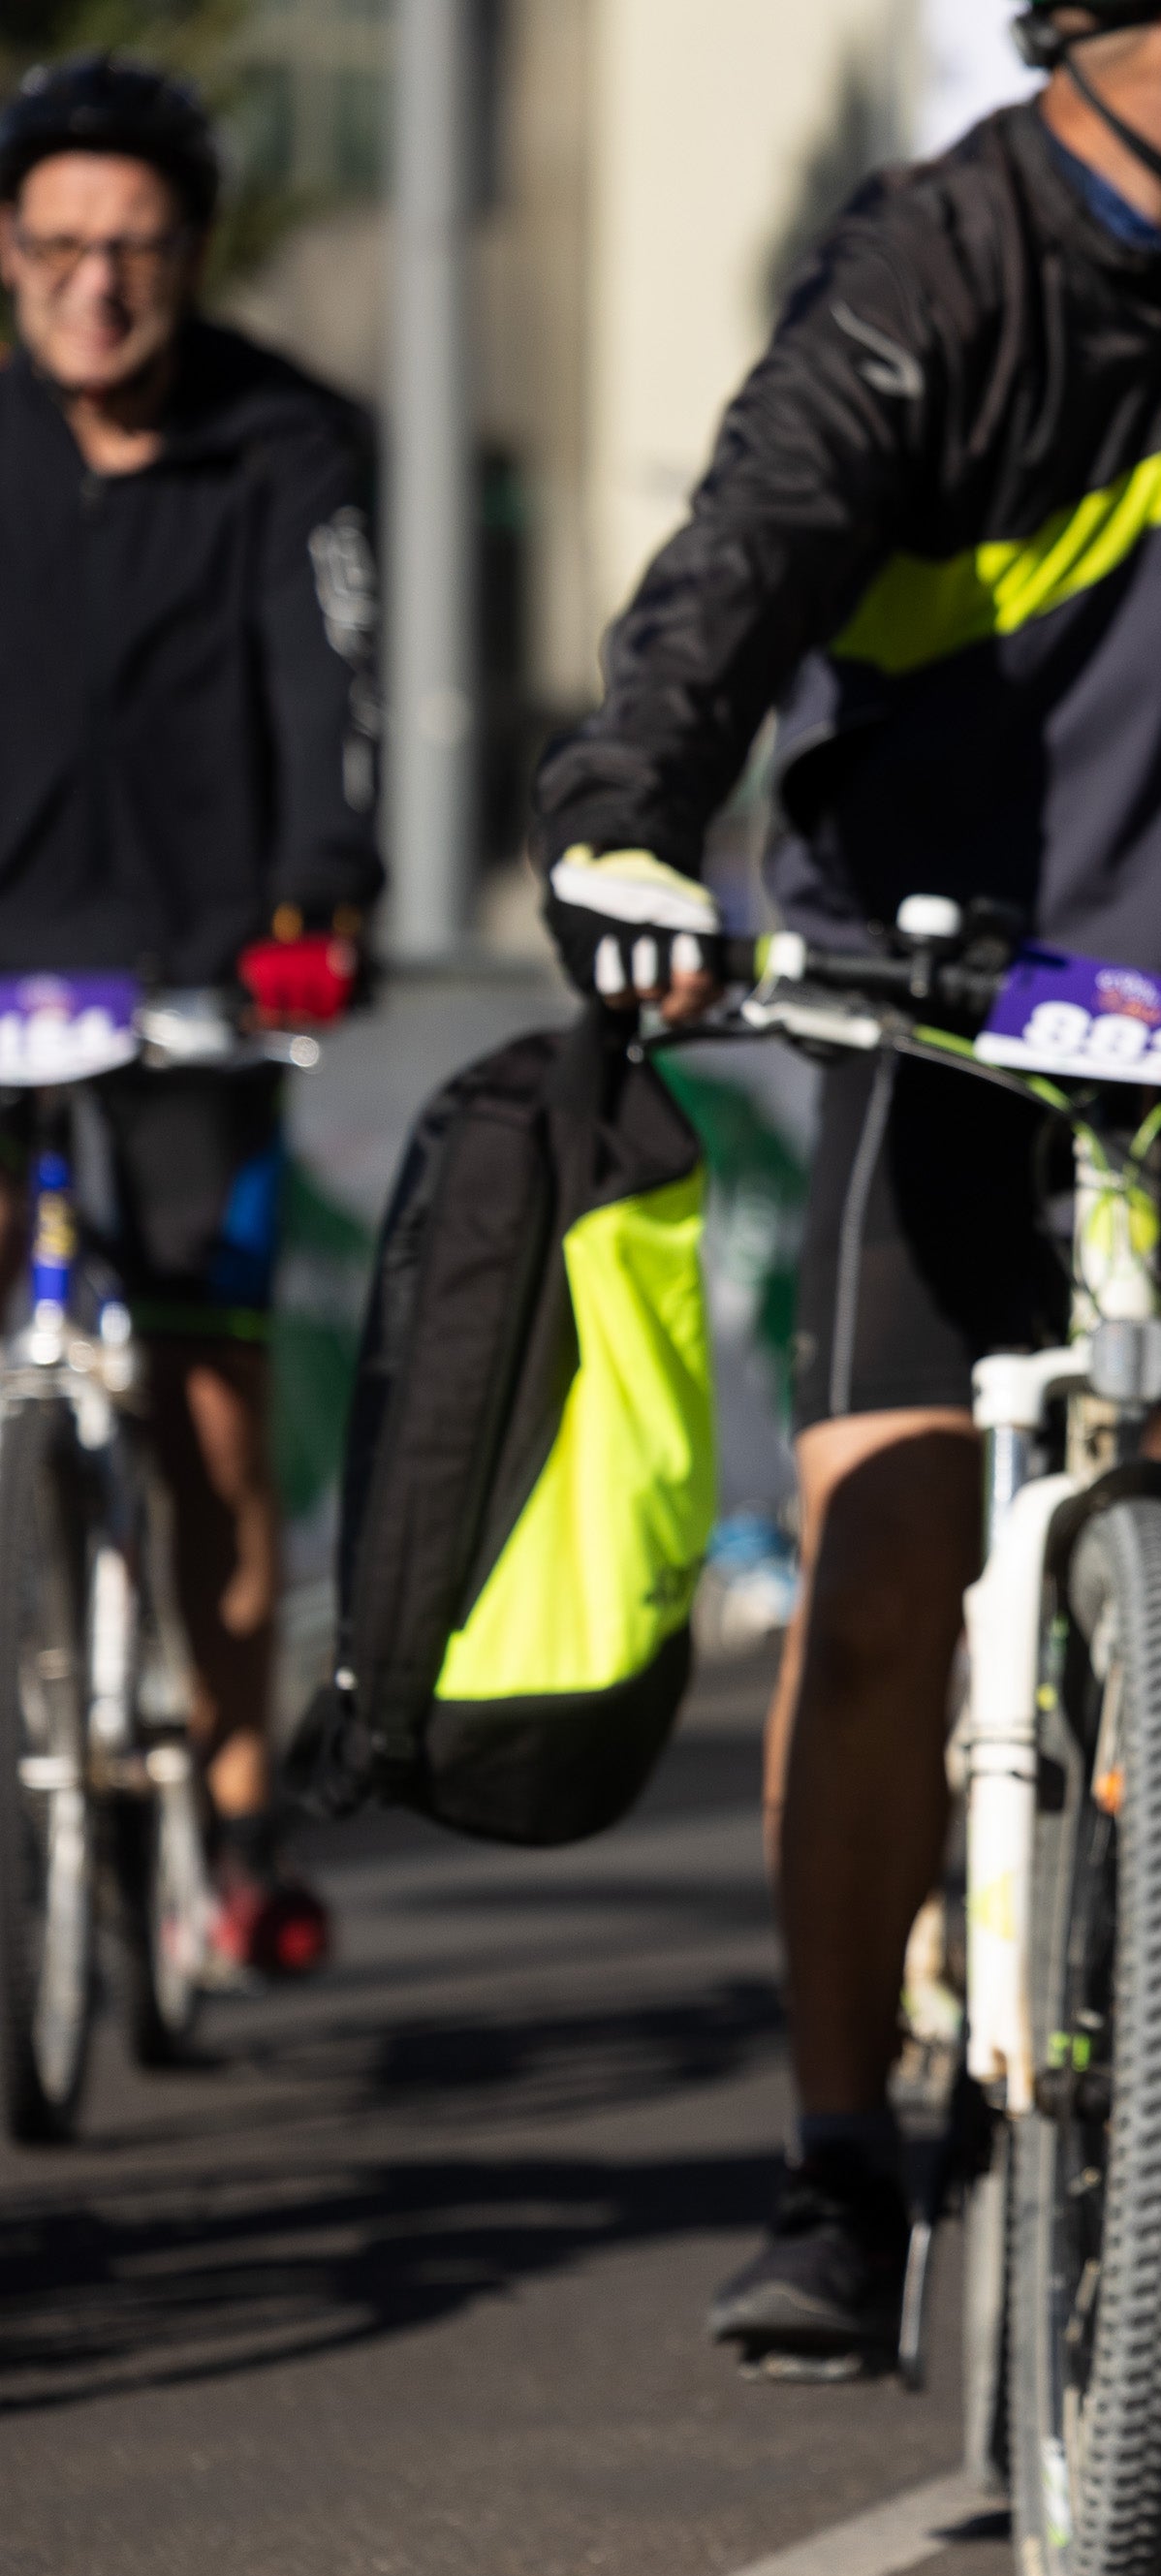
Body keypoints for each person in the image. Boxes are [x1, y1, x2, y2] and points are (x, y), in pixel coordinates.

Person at [525, 0, 1161, 2372]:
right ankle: (833, 2164)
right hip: (948, 1013)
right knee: (885, 1553)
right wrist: (624, 816)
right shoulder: (940, 266)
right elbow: (748, 556)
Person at [0, 57, 379, 1982]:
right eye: (59, 247)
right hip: (5, 973)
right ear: (8, 252)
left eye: (134, 250)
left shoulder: (290, 443)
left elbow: (335, 687)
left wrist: (322, 896)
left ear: (192, 254)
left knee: (212, 1425)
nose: (96, 287)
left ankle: (233, 1809)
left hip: (202, 983)